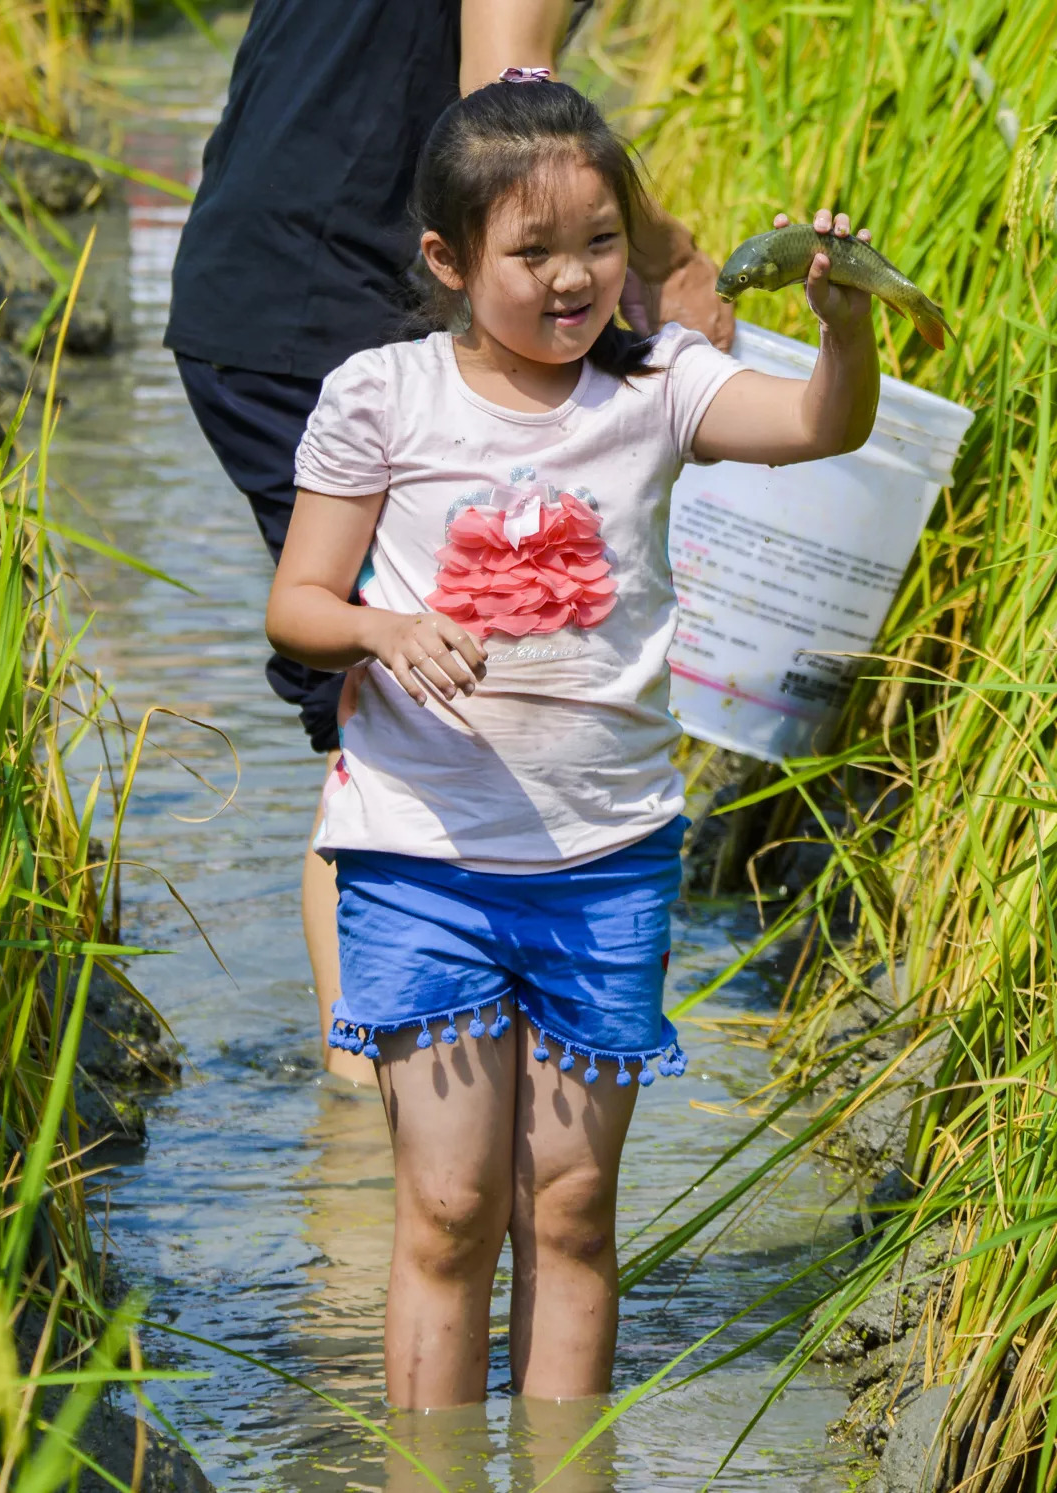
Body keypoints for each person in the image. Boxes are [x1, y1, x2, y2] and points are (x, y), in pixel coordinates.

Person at [265, 76, 879, 1407]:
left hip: (605, 860)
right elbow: (300, 603)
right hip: (420, 856)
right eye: (531, 252)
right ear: (447, 258)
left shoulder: (658, 386)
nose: (572, 279)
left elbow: (823, 426)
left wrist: (842, 333)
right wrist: (384, 628)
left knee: (575, 1207)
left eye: (600, 243)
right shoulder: (387, 393)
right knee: (446, 1207)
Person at [163, 0, 734, 1081]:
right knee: (376, 713)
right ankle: (369, 1105)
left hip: (256, 262)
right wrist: (662, 254)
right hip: (337, 293)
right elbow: (508, 85)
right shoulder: (385, 379)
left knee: (375, 707)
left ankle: (391, 1093)